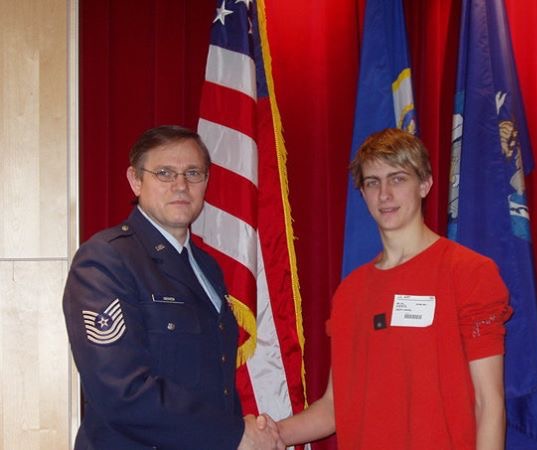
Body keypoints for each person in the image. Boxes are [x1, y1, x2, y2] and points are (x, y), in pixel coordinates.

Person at [278, 128, 512, 449]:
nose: (384, 194)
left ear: (425, 184)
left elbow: (489, 404)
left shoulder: (469, 272)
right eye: (372, 182)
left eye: (398, 179)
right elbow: (333, 408)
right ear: (362, 192)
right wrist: (264, 436)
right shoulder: (350, 293)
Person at [63, 125, 283, 450]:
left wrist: (238, 434)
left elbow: (216, 385)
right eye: (164, 173)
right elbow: (120, 391)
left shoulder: (208, 268)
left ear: (206, 181)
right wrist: (233, 434)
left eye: (193, 173)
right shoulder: (106, 259)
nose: (180, 185)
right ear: (136, 180)